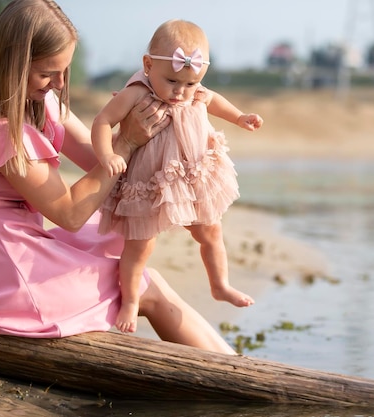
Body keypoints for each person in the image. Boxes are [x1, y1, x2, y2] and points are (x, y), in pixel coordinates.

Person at [0, 0, 235, 355]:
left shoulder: (23, 93)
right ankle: (237, 371)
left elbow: (94, 157)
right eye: (48, 73)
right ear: (13, 64)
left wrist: (155, 131)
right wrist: (127, 141)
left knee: (120, 227)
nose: (59, 82)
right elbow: (69, 214)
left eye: (65, 70)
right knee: (148, 285)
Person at [91, 19, 264, 333]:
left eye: (190, 84)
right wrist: (108, 154)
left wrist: (240, 117)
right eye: (172, 81)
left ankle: (220, 285)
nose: (180, 91)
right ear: (147, 65)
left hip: (193, 177)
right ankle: (130, 299)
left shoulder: (194, 92)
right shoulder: (136, 92)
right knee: (140, 245)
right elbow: (102, 121)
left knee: (210, 233)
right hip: (148, 181)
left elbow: (215, 101)